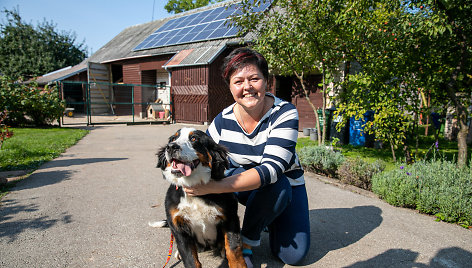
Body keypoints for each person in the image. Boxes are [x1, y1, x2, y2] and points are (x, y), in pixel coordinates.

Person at [183, 47, 310, 267]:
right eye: (238, 81)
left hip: (284, 185)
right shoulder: (222, 121)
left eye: (254, 79)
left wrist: (212, 187)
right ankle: (244, 243)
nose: (247, 87)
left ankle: (252, 234)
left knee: (293, 256)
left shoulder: (284, 112)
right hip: (244, 184)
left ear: (266, 81)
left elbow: (271, 170)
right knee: (265, 187)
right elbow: (201, 158)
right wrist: (184, 179)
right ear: (230, 87)